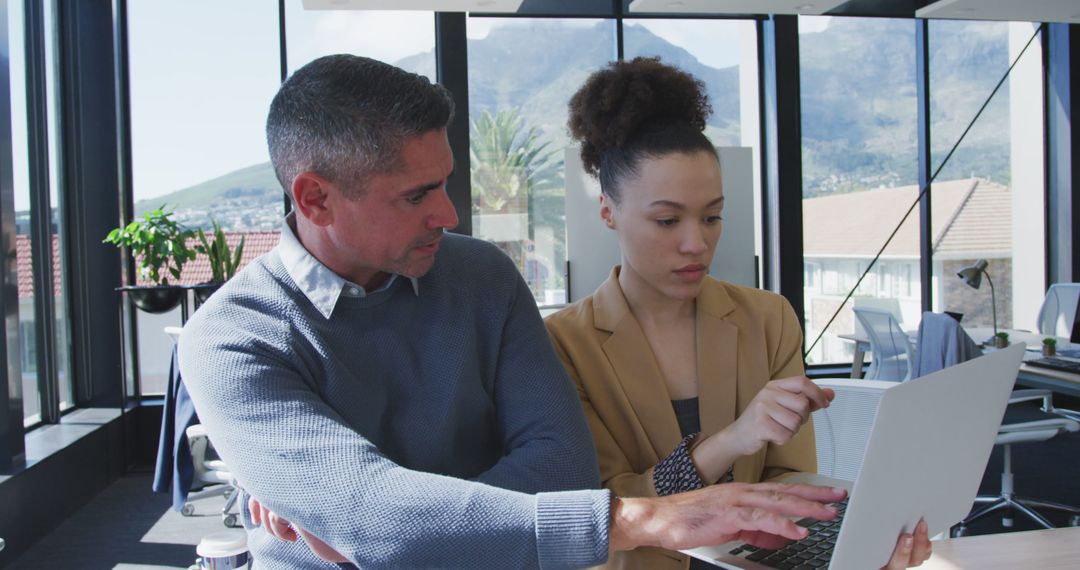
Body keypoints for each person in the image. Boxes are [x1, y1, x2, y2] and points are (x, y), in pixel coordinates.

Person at [179, 54, 847, 569]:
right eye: (418, 195)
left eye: (445, 183)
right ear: (316, 199)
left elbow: (562, 469)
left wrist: (404, 532)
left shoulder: (479, 275)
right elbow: (369, 510)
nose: (450, 214)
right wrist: (638, 519)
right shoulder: (230, 338)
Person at [545, 57, 933, 570]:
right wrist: (730, 441)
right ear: (608, 212)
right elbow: (606, 514)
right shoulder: (562, 344)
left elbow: (790, 483)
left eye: (712, 216)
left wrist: (852, 550)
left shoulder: (767, 319)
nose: (696, 243)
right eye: (666, 220)